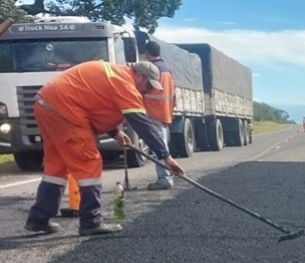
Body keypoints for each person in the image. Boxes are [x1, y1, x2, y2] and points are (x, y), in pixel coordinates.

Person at [25, 60, 185, 236]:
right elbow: (141, 123)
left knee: (56, 167)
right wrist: (165, 156)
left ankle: (38, 219)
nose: (146, 90)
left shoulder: (113, 74)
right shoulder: (125, 82)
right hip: (65, 110)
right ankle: (91, 222)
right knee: (89, 164)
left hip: (46, 104)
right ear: (139, 75)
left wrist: (116, 133)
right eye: (147, 84)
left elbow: (93, 103)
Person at [142, 40, 177, 190]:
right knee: (163, 145)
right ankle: (168, 174)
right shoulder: (167, 69)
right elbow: (173, 93)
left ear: (147, 53)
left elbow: (144, 88)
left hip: (153, 111)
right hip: (164, 112)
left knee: (158, 147)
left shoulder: (153, 69)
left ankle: (164, 179)